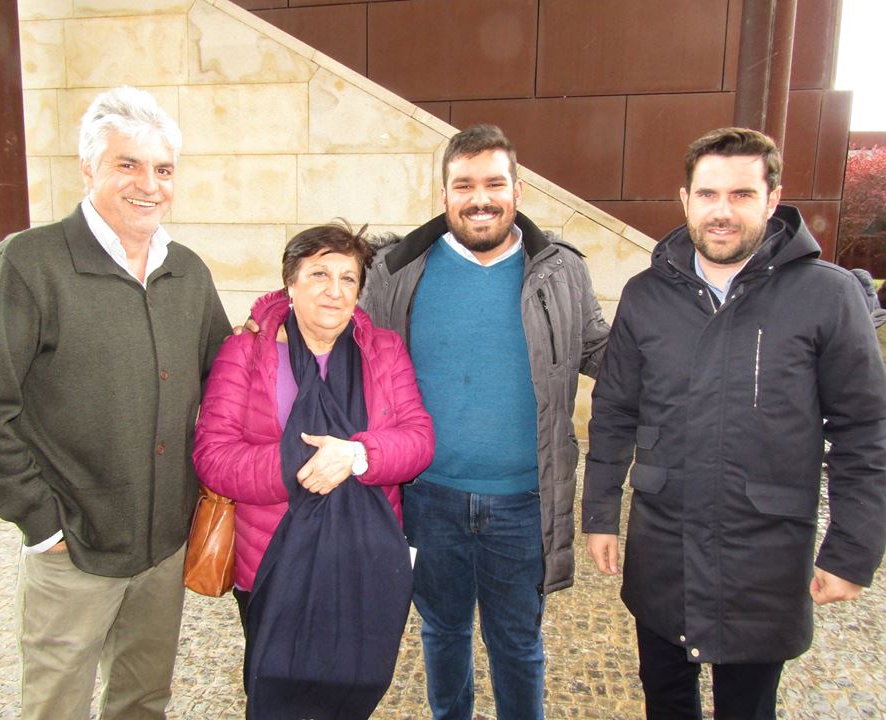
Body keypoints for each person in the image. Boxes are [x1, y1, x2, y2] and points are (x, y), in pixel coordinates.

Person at [0, 86, 231, 719]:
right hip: (73, 546)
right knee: (57, 707)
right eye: (126, 164)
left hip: (163, 546)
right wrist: (41, 522)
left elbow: (224, 381)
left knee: (143, 701)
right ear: (88, 168)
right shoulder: (29, 264)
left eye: (162, 169)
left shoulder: (188, 272)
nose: (148, 185)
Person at [582, 127, 886, 720]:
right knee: (666, 700)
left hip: (764, 556)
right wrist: (599, 514)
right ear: (685, 198)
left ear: (773, 200)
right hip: (663, 546)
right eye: (708, 194)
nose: (722, 211)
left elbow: (864, 430)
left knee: (747, 710)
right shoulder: (645, 296)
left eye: (742, 195)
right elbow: (616, 409)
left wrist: (852, 549)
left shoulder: (827, 296)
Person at [359, 124, 610, 719]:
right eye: (464, 184)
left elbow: (602, 351)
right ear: (444, 192)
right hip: (428, 497)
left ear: (517, 190)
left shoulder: (559, 270)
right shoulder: (397, 271)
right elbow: (345, 339)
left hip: (523, 503)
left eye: (494, 183)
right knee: (441, 634)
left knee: (518, 644)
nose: (480, 198)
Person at [192, 222, 435, 718]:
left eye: (348, 279)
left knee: (352, 682)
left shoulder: (384, 350)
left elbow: (419, 441)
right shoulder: (247, 351)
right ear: (290, 282)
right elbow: (213, 457)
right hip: (272, 560)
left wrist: (355, 455)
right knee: (276, 685)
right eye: (320, 274)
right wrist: (297, 464)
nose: (335, 290)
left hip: (363, 556)